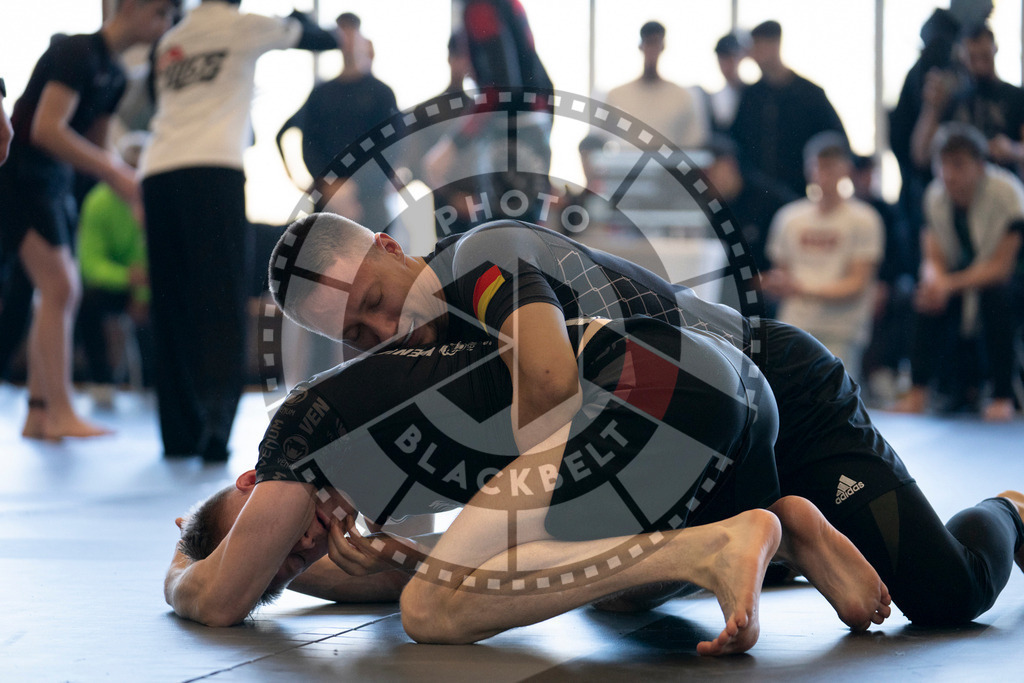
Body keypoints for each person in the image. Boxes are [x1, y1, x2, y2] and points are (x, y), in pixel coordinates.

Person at [268, 210, 1024, 628]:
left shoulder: (475, 259)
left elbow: (548, 380)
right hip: (695, 457)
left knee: (948, 596)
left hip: (781, 393)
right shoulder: (425, 380)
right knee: (606, 590)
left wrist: (504, 528)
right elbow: (493, 548)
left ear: (393, 247)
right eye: (359, 334)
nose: (384, 328)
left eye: (375, 299)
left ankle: (1009, 508)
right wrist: (339, 564)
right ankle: (782, 530)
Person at [168, 314, 894, 656]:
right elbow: (461, 568)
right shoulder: (378, 475)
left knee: (430, 610)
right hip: (716, 412)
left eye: (271, 535)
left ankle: (717, 547)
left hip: (650, 385)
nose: (301, 546)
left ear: (256, 482)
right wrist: (300, 572)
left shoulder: (299, 428)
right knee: (601, 582)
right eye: (296, 563)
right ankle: (787, 530)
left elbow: (222, 597)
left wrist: (178, 570)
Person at [139, 0, 337, 461]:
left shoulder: (172, 39)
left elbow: (155, 100)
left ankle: (177, 436)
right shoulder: (244, 27)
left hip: (159, 169)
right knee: (220, 298)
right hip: (212, 168)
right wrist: (298, 16)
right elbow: (321, 39)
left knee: (171, 304)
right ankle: (214, 429)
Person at [0, 0, 177, 439]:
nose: (166, 23)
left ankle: (39, 414)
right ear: (132, 7)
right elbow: (46, 128)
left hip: (53, 184)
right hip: (21, 175)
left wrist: (130, 187)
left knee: (57, 292)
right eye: (161, 12)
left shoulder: (114, 74)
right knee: (60, 287)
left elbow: (97, 147)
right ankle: (58, 411)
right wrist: (114, 171)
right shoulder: (78, 52)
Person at [894, 123, 1024, 421]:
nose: (949, 175)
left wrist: (948, 284)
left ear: (980, 166)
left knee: (995, 296)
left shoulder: (1008, 193)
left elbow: (1001, 268)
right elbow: (932, 255)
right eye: (943, 165)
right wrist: (934, 281)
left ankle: (1003, 396)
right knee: (925, 295)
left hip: (1010, 280)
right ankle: (918, 393)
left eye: (958, 165)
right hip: (962, 278)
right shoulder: (935, 195)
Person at [762, 133, 884, 383]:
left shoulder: (864, 219)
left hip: (841, 328)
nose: (821, 173)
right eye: (816, 165)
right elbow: (781, 274)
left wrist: (802, 287)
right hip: (795, 323)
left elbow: (858, 283)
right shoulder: (789, 218)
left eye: (829, 166)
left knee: (838, 400)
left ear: (846, 170)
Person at [276, 12, 398, 231]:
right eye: (342, 32)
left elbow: (392, 146)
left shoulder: (381, 93)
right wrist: (324, 185)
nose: (348, 39)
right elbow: (307, 143)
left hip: (370, 202)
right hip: (328, 202)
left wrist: (356, 186)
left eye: (352, 32)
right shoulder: (320, 94)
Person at [76, 132, 153, 402]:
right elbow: (90, 265)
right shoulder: (98, 202)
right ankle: (101, 381)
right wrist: (129, 280)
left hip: (151, 289)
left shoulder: (159, 202)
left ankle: (155, 382)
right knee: (87, 301)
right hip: (118, 286)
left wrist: (142, 295)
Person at [729, 20, 847, 198]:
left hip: (798, 193)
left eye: (759, 47)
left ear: (775, 45)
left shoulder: (809, 94)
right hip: (756, 198)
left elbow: (835, 139)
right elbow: (736, 144)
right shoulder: (750, 96)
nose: (754, 54)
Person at [911, 23, 1024, 176]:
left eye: (984, 56)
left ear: (994, 49)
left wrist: (1012, 149)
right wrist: (932, 108)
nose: (979, 64)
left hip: (1003, 188)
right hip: (961, 190)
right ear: (962, 55)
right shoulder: (954, 99)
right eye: (973, 57)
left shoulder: (1016, 96)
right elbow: (921, 155)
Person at [852, 154, 915, 405]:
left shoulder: (888, 211)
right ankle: (870, 372)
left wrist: (882, 284)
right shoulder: (848, 211)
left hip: (887, 282)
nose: (868, 180)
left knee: (903, 296)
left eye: (871, 174)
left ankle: (889, 369)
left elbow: (900, 256)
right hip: (856, 283)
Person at [605, 21, 707, 149]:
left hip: (669, 167)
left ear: (662, 46)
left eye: (655, 43)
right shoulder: (617, 96)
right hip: (626, 167)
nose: (652, 50)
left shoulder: (681, 97)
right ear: (641, 46)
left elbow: (694, 143)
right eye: (648, 43)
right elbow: (599, 139)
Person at [705, 32, 747, 134]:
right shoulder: (713, 98)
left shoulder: (752, 94)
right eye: (722, 58)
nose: (726, 63)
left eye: (730, 57)